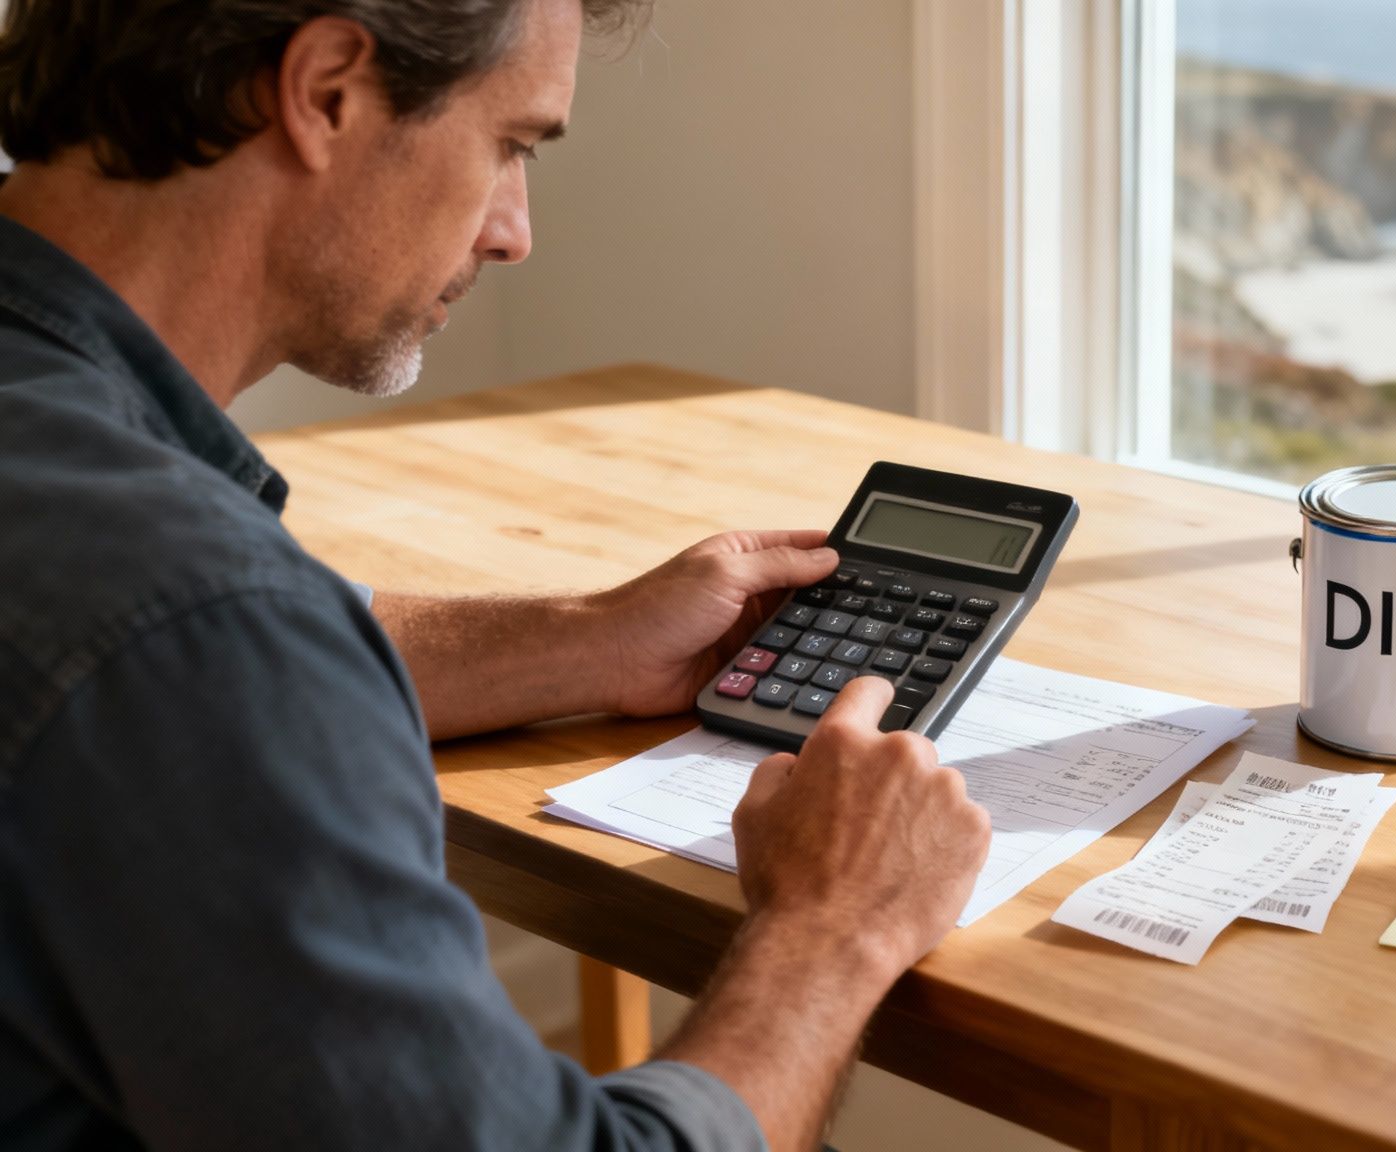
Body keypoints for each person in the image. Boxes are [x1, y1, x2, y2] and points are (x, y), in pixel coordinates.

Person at [0, 1, 993, 1149]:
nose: (515, 231)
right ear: (326, 90)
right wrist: (836, 929)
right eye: (511, 144)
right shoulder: (190, 622)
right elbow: (189, 651)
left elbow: (141, 665)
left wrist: (585, 637)